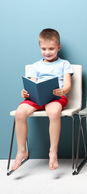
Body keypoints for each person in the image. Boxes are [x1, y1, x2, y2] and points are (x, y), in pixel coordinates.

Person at [13, 28, 73, 171]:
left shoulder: (64, 64)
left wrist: (62, 90)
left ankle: (53, 151)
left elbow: (68, 85)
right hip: (36, 98)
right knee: (20, 113)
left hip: (55, 97)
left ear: (58, 47)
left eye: (51, 48)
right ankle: (22, 150)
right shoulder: (36, 66)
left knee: (53, 113)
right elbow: (32, 84)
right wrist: (26, 93)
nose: (47, 52)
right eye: (44, 49)